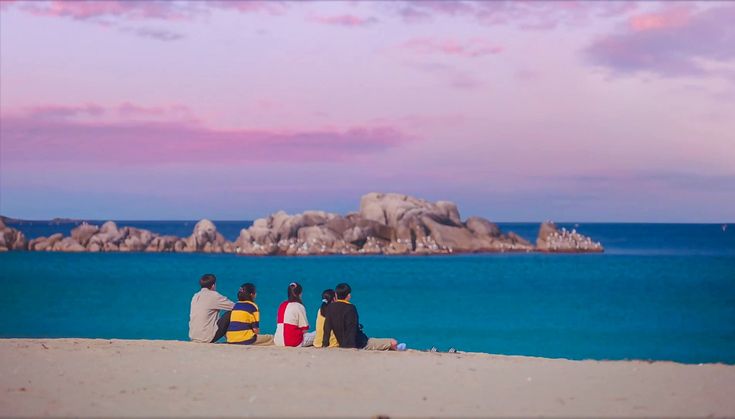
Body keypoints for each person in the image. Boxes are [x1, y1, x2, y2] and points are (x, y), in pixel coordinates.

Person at [322, 282, 401, 350]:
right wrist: (351, 347)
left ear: (336, 294)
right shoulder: (350, 308)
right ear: (348, 295)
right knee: (393, 342)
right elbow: (351, 328)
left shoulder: (330, 308)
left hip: (344, 343)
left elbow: (327, 328)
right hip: (360, 343)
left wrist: (325, 344)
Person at [189, 273, 234, 343]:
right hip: (206, 338)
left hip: (193, 336)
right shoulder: (214, 295)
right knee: (231, 313)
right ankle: (235, 337)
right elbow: (235, 307)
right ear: (213, 285)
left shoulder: (195, 296)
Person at [274, 282, 315, 347]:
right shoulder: (299, 306)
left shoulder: (282, 305)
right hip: (293, 342)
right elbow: (305, 328)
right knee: (317, 334)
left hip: (278, 341)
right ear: (299, 294)